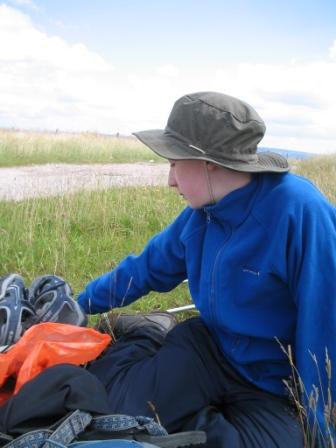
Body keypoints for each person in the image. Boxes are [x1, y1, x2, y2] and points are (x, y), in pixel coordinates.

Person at [77, 92, 336, 447]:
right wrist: (80, 304)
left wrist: (320, 423)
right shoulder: (200, 216)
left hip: (274, 384)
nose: (170, 181)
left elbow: (324, 324)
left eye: (173, 164)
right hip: (209, 349)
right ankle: (153, 345)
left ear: (207, 161)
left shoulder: (299, 212)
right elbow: (146, 268)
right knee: (114, 412)